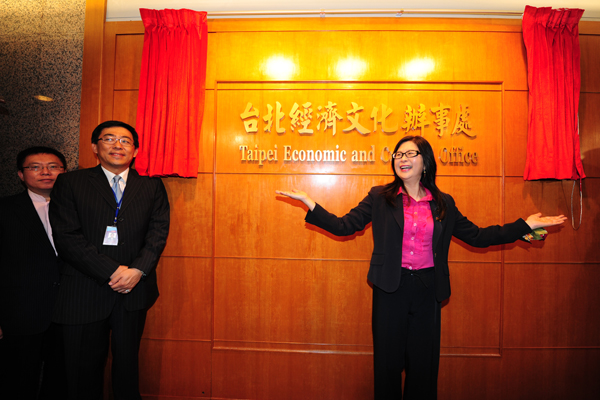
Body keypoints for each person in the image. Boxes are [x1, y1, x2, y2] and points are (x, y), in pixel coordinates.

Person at [276, 135, 566, 399]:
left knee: (423, 368)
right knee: (387, 367)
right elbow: (344, 225)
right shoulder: (380, 198)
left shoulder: (443, 204)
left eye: (409, 154)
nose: (402, 159)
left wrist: (524, 226)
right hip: (390, 289)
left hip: (428, 290)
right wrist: (310, 204)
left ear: (425, 161)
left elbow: (478, 236)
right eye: (398, 155)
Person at [49, 121, 170, 400]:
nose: (118, 145)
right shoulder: (71, 182)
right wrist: (113, 271)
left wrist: (138, 270)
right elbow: (67, 236)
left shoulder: (151, 185)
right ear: (95, 147)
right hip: (83, 289)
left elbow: (158, 232)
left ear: (136, 150)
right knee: (81, 370)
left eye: (126, 141)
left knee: (127, 368)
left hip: (133, 290)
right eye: (109, 139)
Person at [0, 146, 66, 400]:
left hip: (67, 314)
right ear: (20, 174)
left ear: (64, 171)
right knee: (17, 381)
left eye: (54, 166)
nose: (45, 172)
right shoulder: (5, 210)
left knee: (62, 382)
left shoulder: (80, 209)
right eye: (35, 167)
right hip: (20, 315)